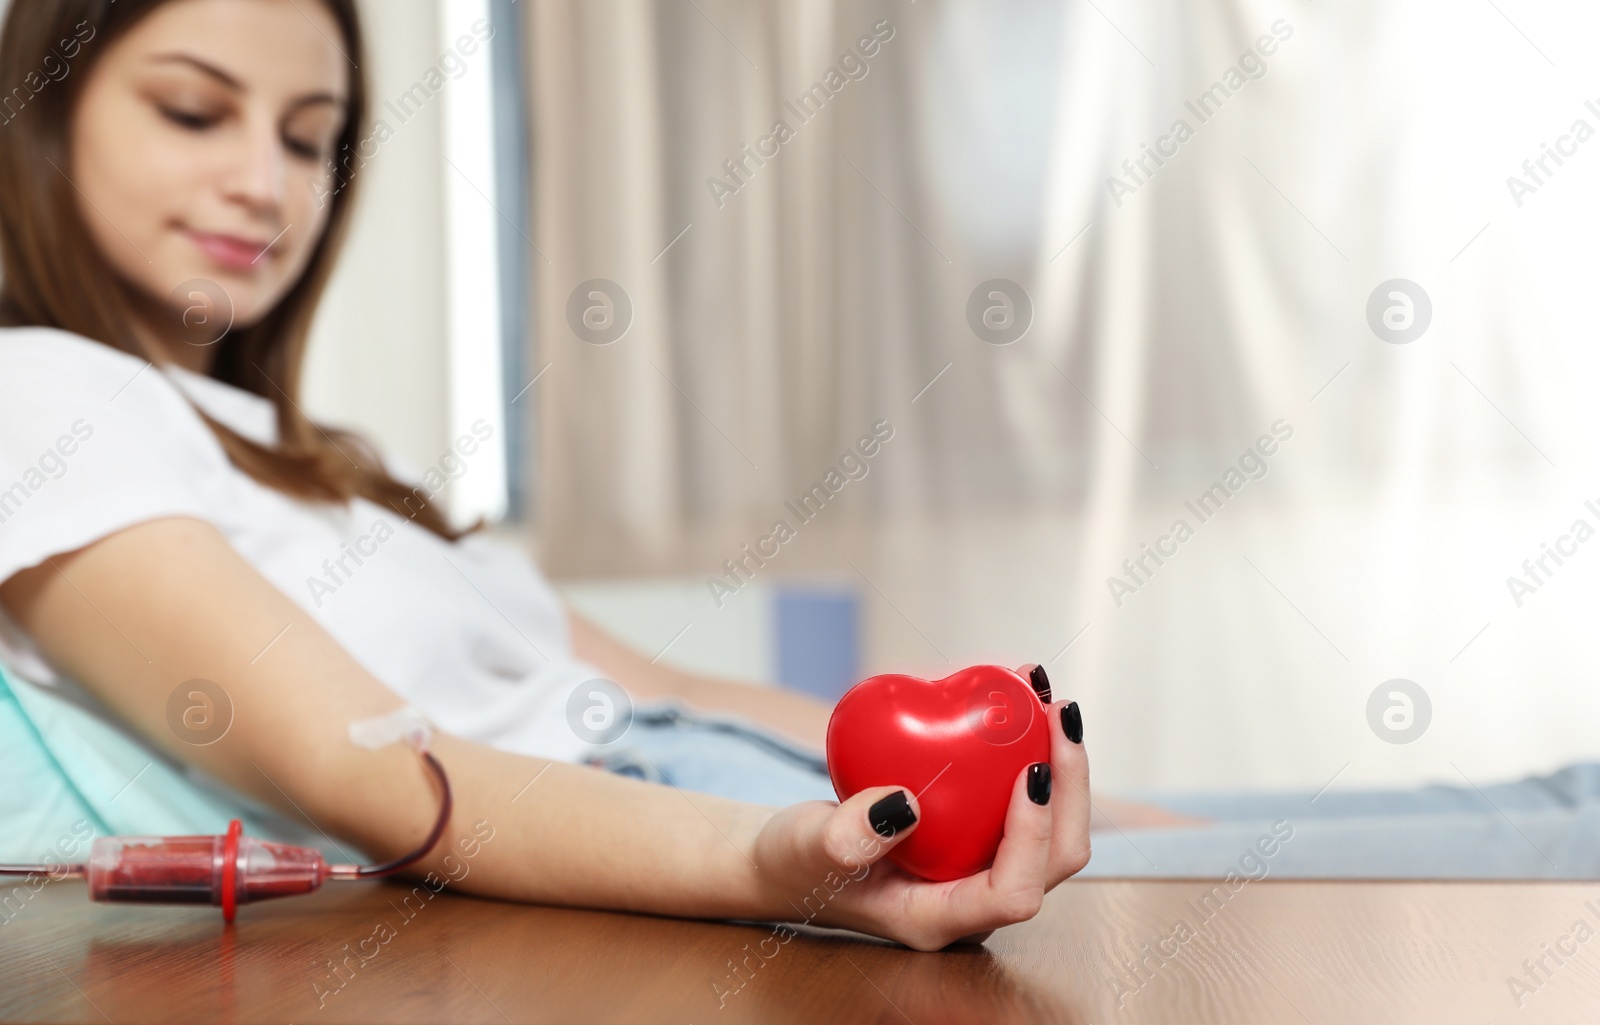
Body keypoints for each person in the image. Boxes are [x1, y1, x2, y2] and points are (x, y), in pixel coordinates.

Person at [0, 0, 1093, 950]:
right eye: (193, 111)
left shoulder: (321, 461)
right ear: (39, 115)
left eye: (307, 139)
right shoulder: (37, 393)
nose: (262, 183)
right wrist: (769, 858)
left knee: (1195, 848)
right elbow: (373, 776)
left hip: (722, 787)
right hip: (664, 840)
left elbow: (670, 692)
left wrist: (1133, 809)